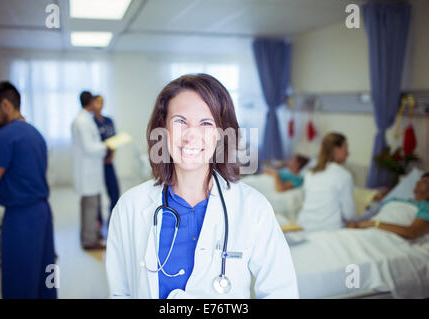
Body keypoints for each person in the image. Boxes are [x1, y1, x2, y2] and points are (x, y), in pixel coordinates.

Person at [106, 74, 298, 299]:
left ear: (221, 133)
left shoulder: (253, 208)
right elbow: (120, 294)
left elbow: (281, 292)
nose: (191, 136)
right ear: (163, 128)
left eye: (206, 123)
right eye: (180, 121)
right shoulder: (130, 206)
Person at [0, 81, 57, 299]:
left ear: (5, 105)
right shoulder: (36, 134)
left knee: (19, 281)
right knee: (46, 276)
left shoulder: (4, 137)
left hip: (21, 217)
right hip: (42, 213)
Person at [296, 132, 356, 232]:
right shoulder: (344, 176)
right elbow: (349, 214)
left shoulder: (310, 173)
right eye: (345, 149)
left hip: (302, 227)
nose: (348, 153)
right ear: (336, 150)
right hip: (327, 232)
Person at [71, 91, 107, 250]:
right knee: (90, 206)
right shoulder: (82, 121)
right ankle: (88, 240)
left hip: (90, 171)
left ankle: (89, 233)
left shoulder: (85, 119)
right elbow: (89, 147)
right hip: (88, 172)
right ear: (90, 103)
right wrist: (106, 145)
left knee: (89, 205)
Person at [348, 172, 429, 240]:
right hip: (365, 231)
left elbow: (412, 232)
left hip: (386, 237)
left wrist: (374, 224)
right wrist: (356, 224)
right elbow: (371, 214)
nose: (418, 182)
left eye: (424, 181)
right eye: (419, 180)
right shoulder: (394, 200)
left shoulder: (426, 207)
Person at [93, 95, 120, 229]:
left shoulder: (108, 121)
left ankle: (111, 220)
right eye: (98, 102)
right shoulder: (91, 122)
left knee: (114, 192)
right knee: (96, 194)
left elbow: (114, 139)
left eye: (102, 102)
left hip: (108, 163)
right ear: (92, 103)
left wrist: (112, 155)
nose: (100, 104)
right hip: (96, 164)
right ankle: (97, 221)